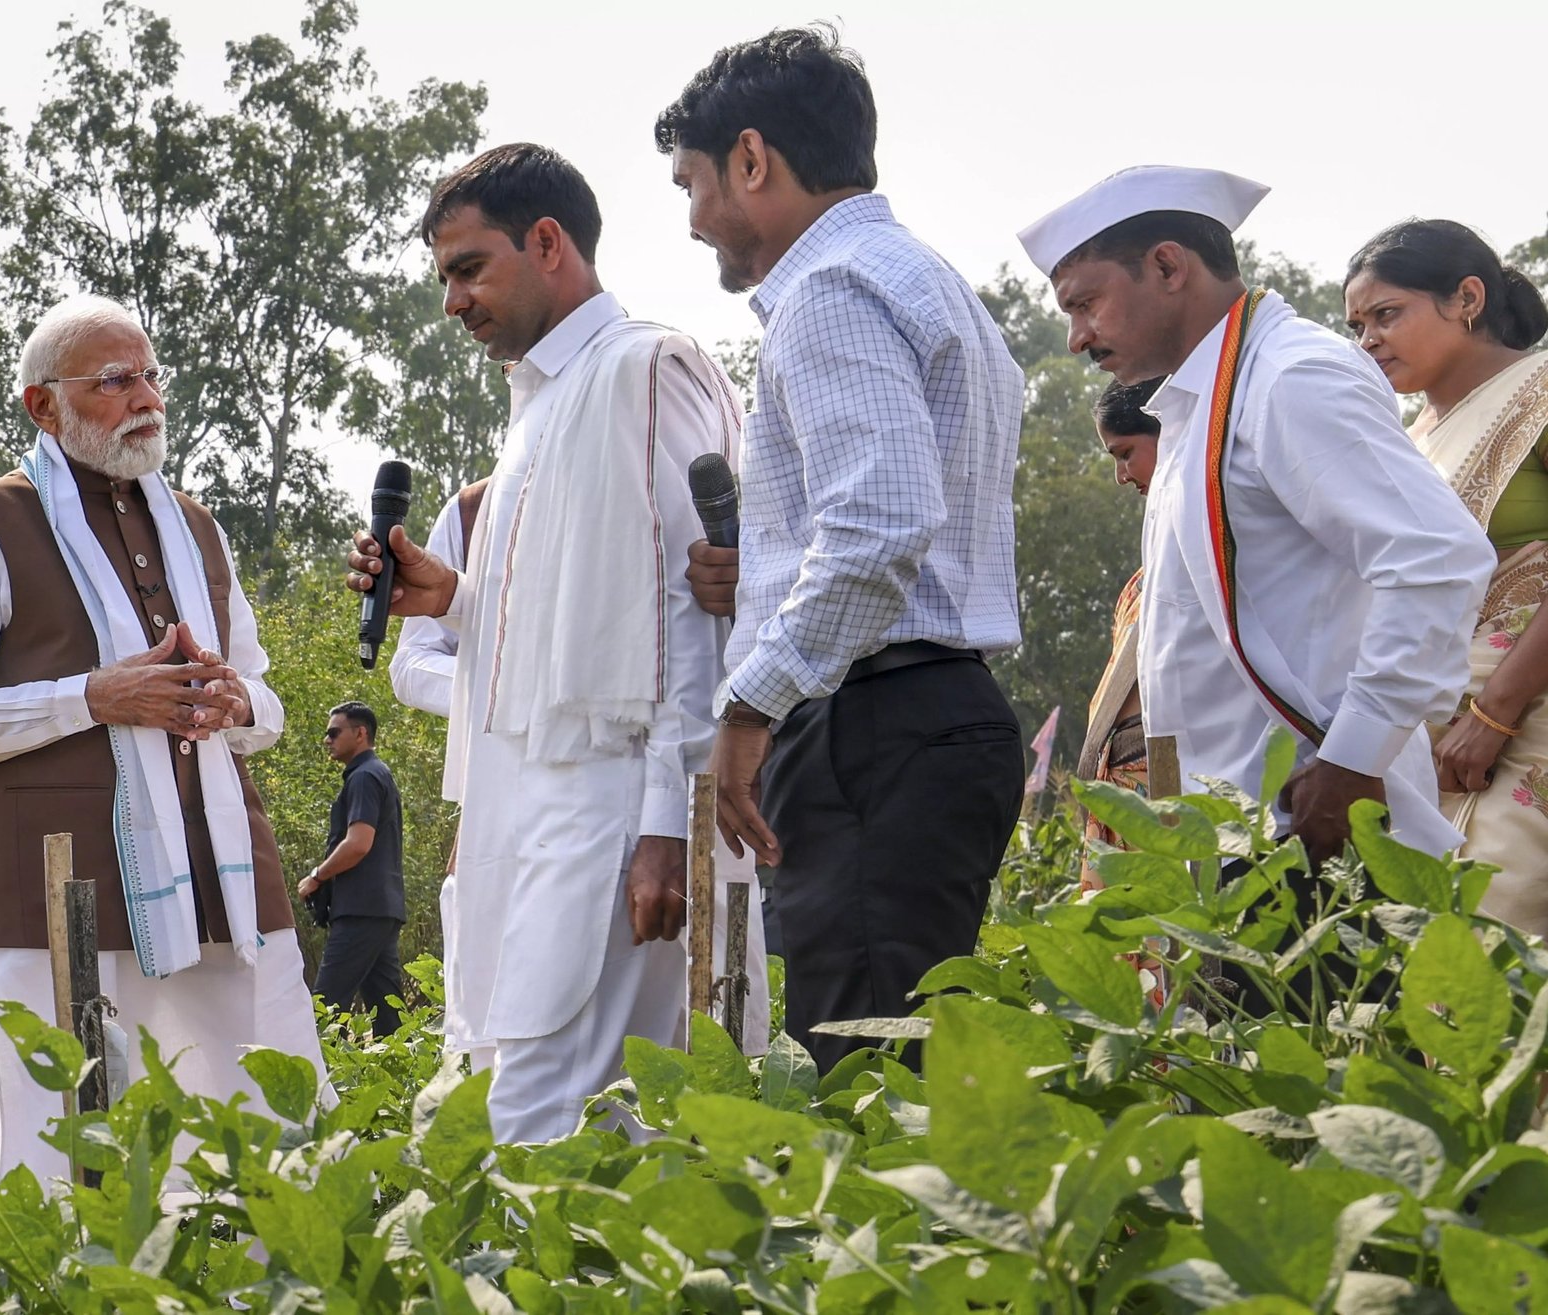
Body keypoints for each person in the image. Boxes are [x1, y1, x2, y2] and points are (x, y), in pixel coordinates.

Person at [345, 142, 767, 1143]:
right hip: (531, 823)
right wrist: (455, 599)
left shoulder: (642, 367)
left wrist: (670, 824)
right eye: (444, 276)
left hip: (613, 823)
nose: (452, 301)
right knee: (540, 1123)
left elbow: (690, 610)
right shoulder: (538, 406)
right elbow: (583, 620)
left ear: (547, 243)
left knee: (564, 1133)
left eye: (468, 269)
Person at [0, 294, 328, 1195]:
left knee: (266, 1139)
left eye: (152, 376)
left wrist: (237, 700)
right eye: (115, 381)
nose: (147, 399)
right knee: (60, 1151)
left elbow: (267, 704)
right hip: (61, 890)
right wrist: (93, 697)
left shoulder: (198, 529)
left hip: (225, 885)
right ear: (42, 405)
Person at [657, 26, 1026, 1071]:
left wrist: (750, 703)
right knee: (905, 1053)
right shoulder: (928, 280)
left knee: (866, 1072)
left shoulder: (829, 290)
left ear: (752, 160)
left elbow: (880, 527)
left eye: (692, 185)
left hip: (874, 726)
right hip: (927, 712)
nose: (693, 221)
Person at [1017, 167, 1493, 884]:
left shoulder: (1290, 376)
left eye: (1086, 303)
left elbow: (1437, 561)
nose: (1076, 338)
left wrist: (1352, 760)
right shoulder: (1199, 401)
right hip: (1234, 835)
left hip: (1310, 828)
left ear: (1168, 266)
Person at [1344, 219, 1548, 930]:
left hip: (1524, 718)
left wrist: (1494, 714)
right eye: (1357, 326)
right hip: (1431, 741)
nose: (1368, 340)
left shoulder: (1541, 389)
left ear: (1467, 298)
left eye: (1386, 314)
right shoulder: (1406, 440)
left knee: (1499, 946)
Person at [387, 481, 495, 1065]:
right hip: (498, 799)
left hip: (650, 805)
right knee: (491, 1029)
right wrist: (503, 691)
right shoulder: (474, 509)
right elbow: (411, 663)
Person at [1078, 376, 1164, 888]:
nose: (1120, 476)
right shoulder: (1140, 581)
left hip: (1168, 786)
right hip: (1120, 785)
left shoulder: (1217, 550)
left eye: (1126, 453)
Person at [299, 702, 407, 1035]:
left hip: (361, 909)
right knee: (388, 1014)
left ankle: (317, 1069)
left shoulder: (364, 777)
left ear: (360, 733)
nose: (327, 740)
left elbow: (358, 843)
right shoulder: (374, 774)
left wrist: (316, 877)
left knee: (325, 1008)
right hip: (379, 909)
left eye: (334, 733)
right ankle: (399, 1068)